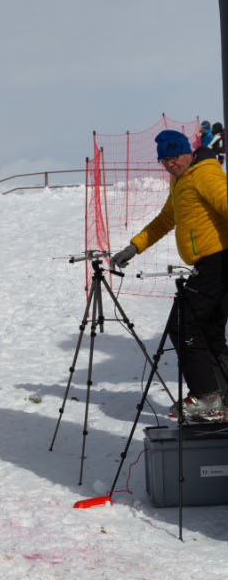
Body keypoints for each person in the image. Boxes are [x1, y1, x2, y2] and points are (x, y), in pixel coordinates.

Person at [112, 128, 228, 421]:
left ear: (187, 152)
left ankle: (206, 396)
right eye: (164, 160)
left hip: (217, 262)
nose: (170, 163)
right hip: (209, 264)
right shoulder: (180, 181)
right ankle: (222, 399)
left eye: (174, 157)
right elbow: (166, 219)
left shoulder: (204, 174)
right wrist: (134, 247)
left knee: (183, 325)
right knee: (210, 333)